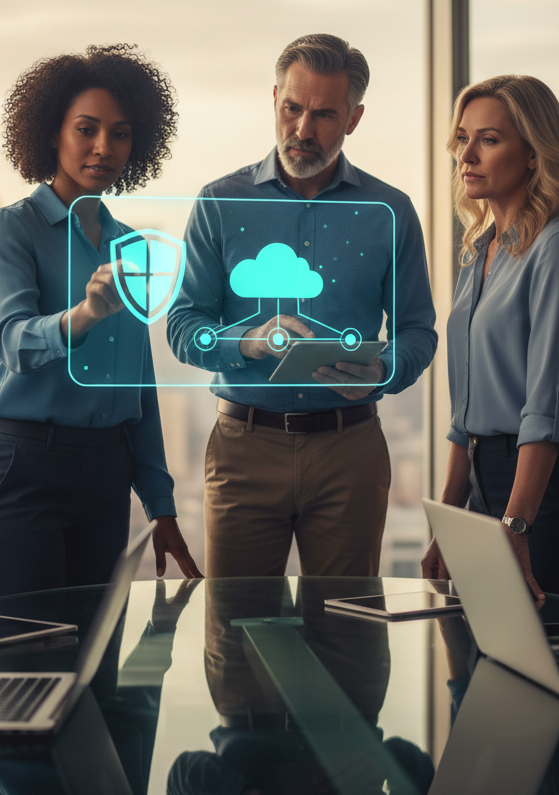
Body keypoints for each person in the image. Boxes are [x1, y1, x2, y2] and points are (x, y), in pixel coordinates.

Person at [166, 34, 437, 578]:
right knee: (235, 635)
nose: (303, 130)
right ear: (273, 100)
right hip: (243, 450)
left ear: (354, 119)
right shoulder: (220, 202)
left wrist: (383, 372)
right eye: (292, 108)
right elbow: (182, 326)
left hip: (350, 449)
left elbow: (417, 330)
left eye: (324, 115)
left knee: (346, 635)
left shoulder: (392, 211)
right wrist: (247, 341)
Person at [0, 44, 201, 600]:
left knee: (95, 662)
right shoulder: (13, 229)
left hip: (106, 478)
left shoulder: (129, 246)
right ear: (52, 133)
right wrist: (86, 313)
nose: (103, 147)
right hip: (22, 469)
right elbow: (15, 344)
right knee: (26, 657)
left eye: (119, 133)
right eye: (86, 129)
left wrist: (160, 506)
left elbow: (138, 386)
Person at [421, 74, 559, 604]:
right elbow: (465, 418)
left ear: (533, 153)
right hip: (488, 490)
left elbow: (546, 409)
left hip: (549, 497)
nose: (468, 155)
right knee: (484, 668)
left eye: (489, 139)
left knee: (541, 670)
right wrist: (448, 518)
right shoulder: (477, 250)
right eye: (463, 138)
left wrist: (517, 524)